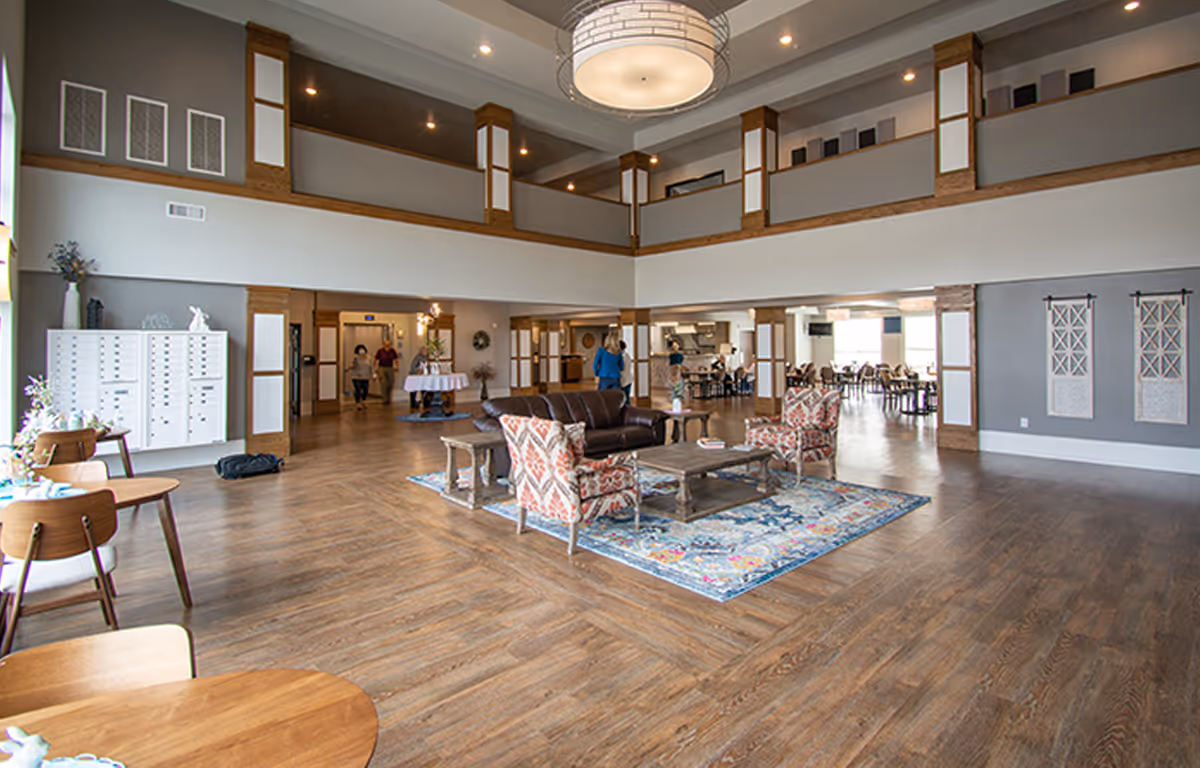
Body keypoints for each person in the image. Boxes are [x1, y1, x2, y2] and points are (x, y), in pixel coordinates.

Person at [346, 344, 374, 411]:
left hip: (365, 376)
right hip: (356, 376)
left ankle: (364, 401)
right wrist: (353, 364)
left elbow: (371, 367)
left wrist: (373, 374)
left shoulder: (368, 358)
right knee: (358, 390)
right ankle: (358, 403)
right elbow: (350, 366)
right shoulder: (355, 358)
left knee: (365, 390)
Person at [374, 339, 399, 405]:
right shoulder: (380, 351)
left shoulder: (392, 351)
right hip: (382, 367)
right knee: (384, 383)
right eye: (386, 344)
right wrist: (375, 367)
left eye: (388, 344)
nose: (387, 346)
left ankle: (389, 398)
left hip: (390, 368)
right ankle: (384, 399)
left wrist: (397, 366)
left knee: (390, 382)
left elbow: (396, 359)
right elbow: (376, 358)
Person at [409, 344, 428, 410]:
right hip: (416, 376)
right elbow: (413, 366)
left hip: (423, 376)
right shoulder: (417, 358)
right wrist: (417, 373)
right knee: (414, 390)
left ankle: (425, 402)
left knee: (425, 389)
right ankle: (414, 403)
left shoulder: (425, 358)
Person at [618, 339, 633, 403]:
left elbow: (621, 370)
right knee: (627, 399)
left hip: (623, 380)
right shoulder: (627, 355)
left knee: (624, 400)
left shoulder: (620, 357)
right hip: (629, 379)